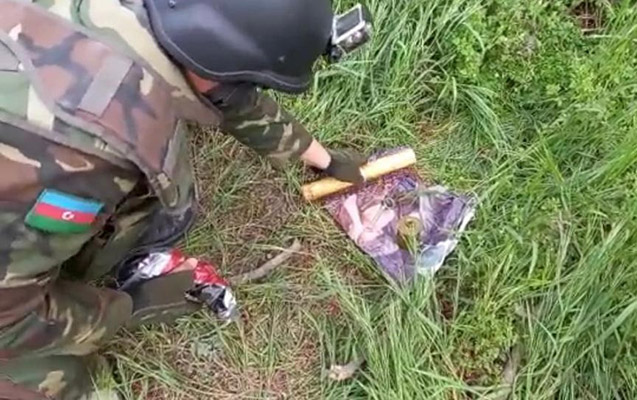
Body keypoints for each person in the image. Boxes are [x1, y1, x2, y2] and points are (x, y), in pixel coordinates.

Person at [0, 0, 372, 397]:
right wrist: (129, 307)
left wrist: (322, 158)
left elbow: (224, 91)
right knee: (65, 379)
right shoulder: (82, 160)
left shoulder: (153, 16)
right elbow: (10, 321)